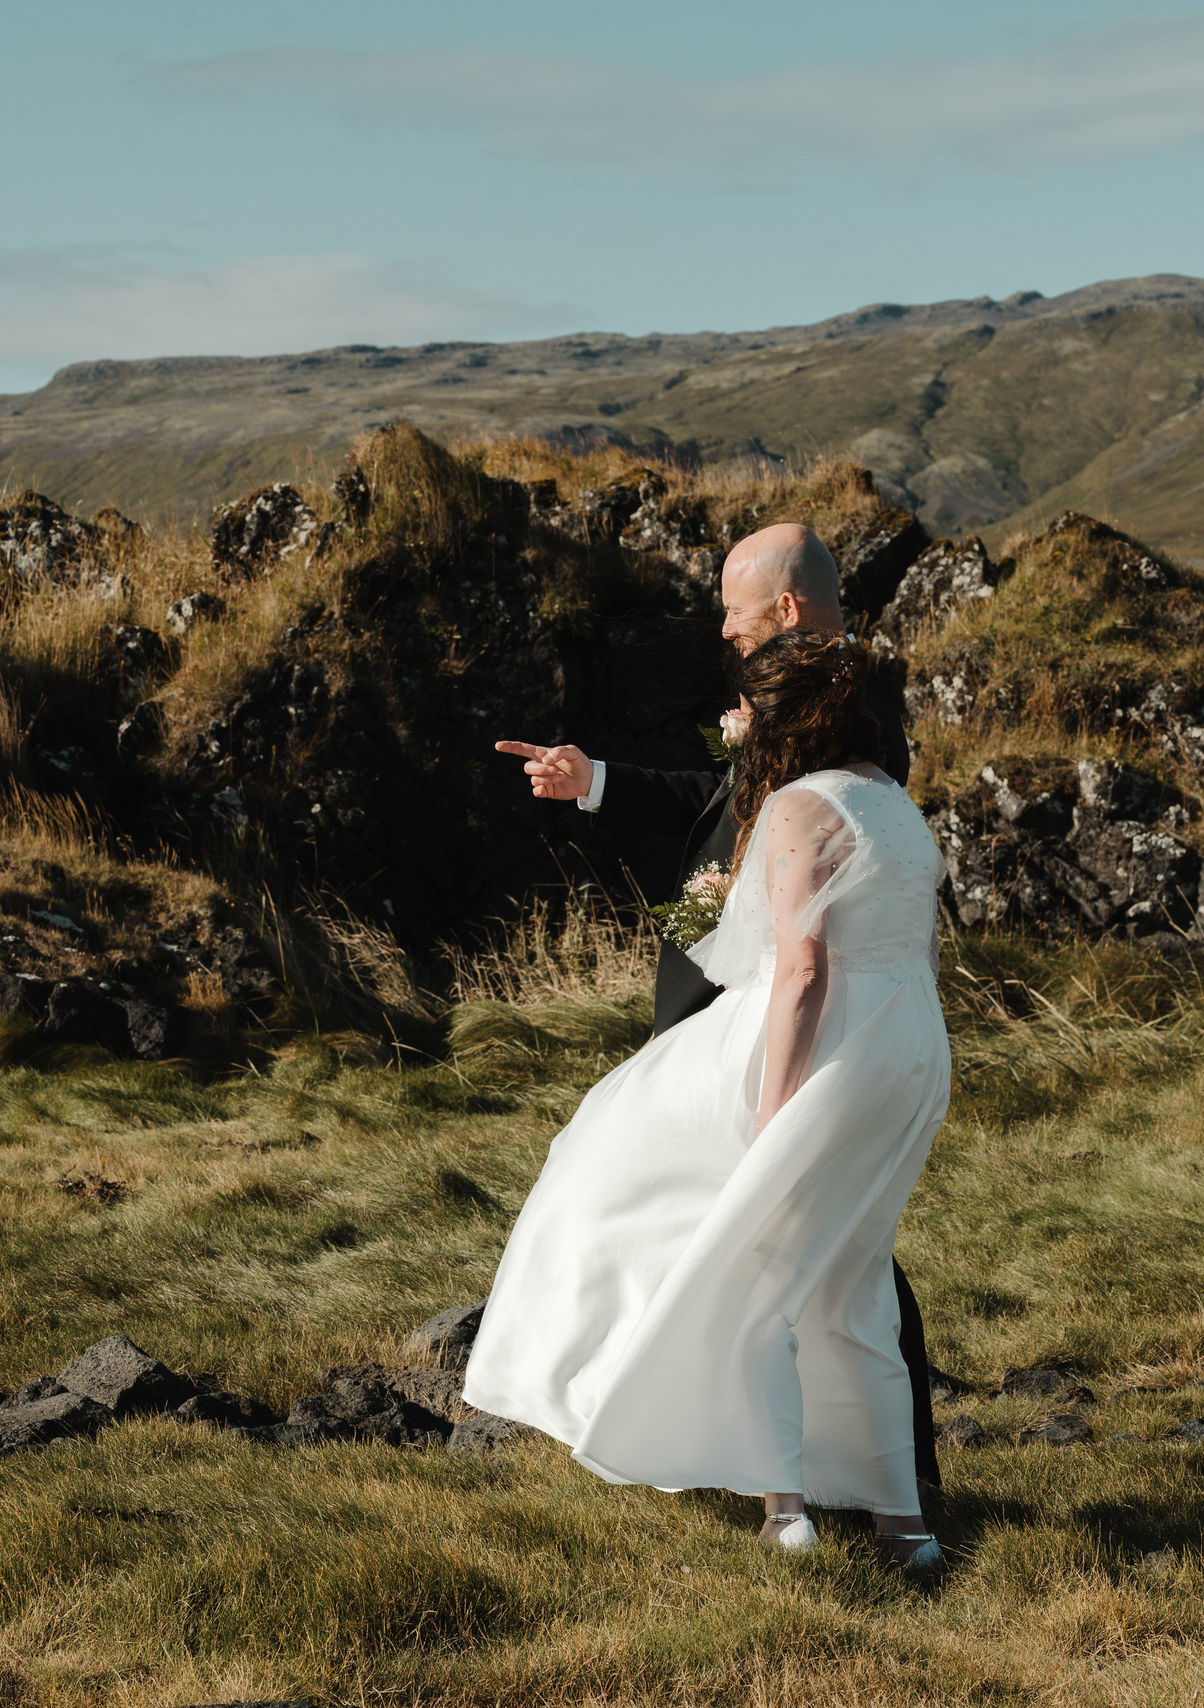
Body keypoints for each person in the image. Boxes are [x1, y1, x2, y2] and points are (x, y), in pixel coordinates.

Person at [474, 527, 949, 1574]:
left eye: (734, 610)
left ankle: (828, 1485)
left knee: (779, 1254)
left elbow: (807, 928)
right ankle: (810, 1479)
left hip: (795, 1026)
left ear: (785, 613)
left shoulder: (853, 719)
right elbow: (715, 812)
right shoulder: (829, 744)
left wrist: (776, 1092)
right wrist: (592, 780)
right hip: (816, 1018)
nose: (721, 629)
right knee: (751, 1240)